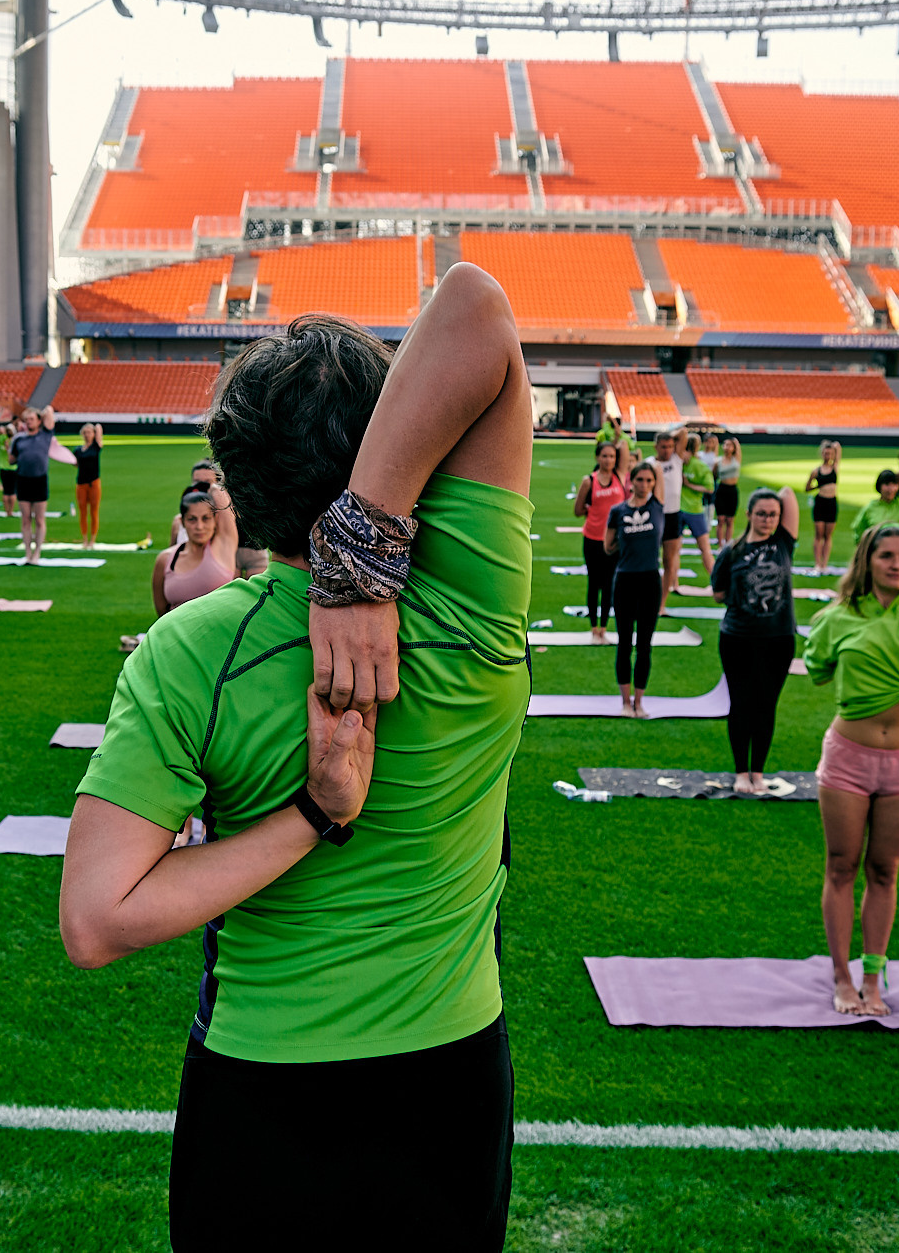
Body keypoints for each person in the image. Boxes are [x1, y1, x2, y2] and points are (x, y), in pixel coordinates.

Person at [59, 273, 532, 1251]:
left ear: (234, 477)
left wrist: (311, 816)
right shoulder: (473, 597)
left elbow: (96, 920)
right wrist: (362, 545)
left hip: (261, 1086)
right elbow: (474, 309)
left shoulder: (191, 649)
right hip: (448, 1079)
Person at [802, 518, 899, 1017]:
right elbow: (818, 672)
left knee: (885, 870)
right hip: (849, 759)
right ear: (867, 561)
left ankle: (873, 979)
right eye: (887, 556)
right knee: (841, 867)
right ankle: (841, 977)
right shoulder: (836, 618)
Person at [713, 487, 802, 794]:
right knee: (740, 704)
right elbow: (718, 595)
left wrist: (774, 497)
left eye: (773, 514)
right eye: (761, 514)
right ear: (748, 515)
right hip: (738, 638)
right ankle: (740, 771)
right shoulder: (731, 552)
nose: (767, 520)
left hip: (779, 639)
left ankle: (758, 772)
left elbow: (789, 494)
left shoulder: (783, 543)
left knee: (766, 705)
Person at [604, 462, 664, 716]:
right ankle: (625, 703)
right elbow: (608, 546)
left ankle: (639, 702)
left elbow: (662, 468)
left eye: (649, 481)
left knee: (645, 644)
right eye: (640, 480)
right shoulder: (617, 511)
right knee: (625, 643)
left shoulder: (657, 506)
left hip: (650, 581)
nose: (645, 485)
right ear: (631, 481)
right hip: (625, 581)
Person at [572, 440, 628, 643]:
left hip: (614, 542)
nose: (608, 460)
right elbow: (577, 511)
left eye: (612, 456)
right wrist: (592, 510)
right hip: (593, 539)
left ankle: (604, 627)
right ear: (597, 458)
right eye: (604, 456)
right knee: (594, 583)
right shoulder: (589, 481)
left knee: (609, 584)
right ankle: (593, 626)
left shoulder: (620, 477)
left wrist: (617, 432)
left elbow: (624, 445)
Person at [151, 488, 240, 616]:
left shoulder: (223, 546)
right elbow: (162, 615)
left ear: (215, 520)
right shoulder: (165, 559)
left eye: (206, 518)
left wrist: (211, 486)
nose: (199, 526)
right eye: (192, 519)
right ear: (182, 522)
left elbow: (221, 496)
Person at [9, 407, 76, 565]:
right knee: (25, 519)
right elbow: (12, 460)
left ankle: (37, 552)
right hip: (23, 480)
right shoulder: (18, 439)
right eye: (27, 419)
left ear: (39, 421)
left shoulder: (46, 435)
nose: (29, 421)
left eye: (32, 418)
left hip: (39, 480)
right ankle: (27, 552)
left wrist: (41, 411)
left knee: (39, 519)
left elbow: (49, 412)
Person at [641, 427, 686, 613]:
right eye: (663, 446)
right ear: (656, 446)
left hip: (673, 515)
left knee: (669, 560)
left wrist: (671, 437)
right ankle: (644, 599)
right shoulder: (649, 463)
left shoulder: (677, 459)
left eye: (670, 446)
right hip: (654, 515)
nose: (667, 450)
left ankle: (661, 603)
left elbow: (683, 432)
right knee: (648, 560)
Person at [678, 432, 716, 581]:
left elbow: (709, 488)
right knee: (703, 549)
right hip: (681, 510)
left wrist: (689, 485)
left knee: (703, 548)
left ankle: (715, 580)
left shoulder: (698, 465)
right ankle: (673, 584)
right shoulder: (678, 462)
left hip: (693, 510)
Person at [805, 441, 840, 573]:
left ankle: (824, 564)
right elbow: (807, 488)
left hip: (832, 502)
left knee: (828, 535)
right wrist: (818, 486)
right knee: (818, 534)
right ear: (822, 454)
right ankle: (817, 563)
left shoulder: (835, 468)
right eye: (825, 453)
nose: (827, 455)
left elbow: (838, 448)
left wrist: (833, 445)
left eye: (830, 453)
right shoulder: (816, 471)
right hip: (820, 502)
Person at [852, 469, 899, 540]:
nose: (891, 489)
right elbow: (859, 531)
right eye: (887, 485)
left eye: (894, 484)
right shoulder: (871, 507)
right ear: (879, 486)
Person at [74, 423, 104, 549]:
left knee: (94, 511)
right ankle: (84, 539)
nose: (87, 435)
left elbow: (99, 427)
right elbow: (74, 464)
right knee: (82, 512)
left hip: (93, 483)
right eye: (85, 432)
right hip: (81, 483)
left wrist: (95, 429)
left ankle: (92, 539)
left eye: (89, 432)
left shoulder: (96, 447)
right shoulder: (77, 450)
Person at [713, 436, 743, 543]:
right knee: (720, 520)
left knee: (730, 520)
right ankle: (720, 544)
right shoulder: (718, 461)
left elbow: (738, 447)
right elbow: (714, 475)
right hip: (722, 490)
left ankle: (728, 542)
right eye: (725, 445)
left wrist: (734, 440)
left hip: (732, 490)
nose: (727, 447)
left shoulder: (736, 459)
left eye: (729, 445)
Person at [0, 413, 21, 515]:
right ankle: (11, 511)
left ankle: (7, 511)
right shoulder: (15, 441)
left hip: (3, 468)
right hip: (13, 468)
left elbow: (0, 429)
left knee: (6, 491)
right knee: (12, 491)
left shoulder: (1, 439)